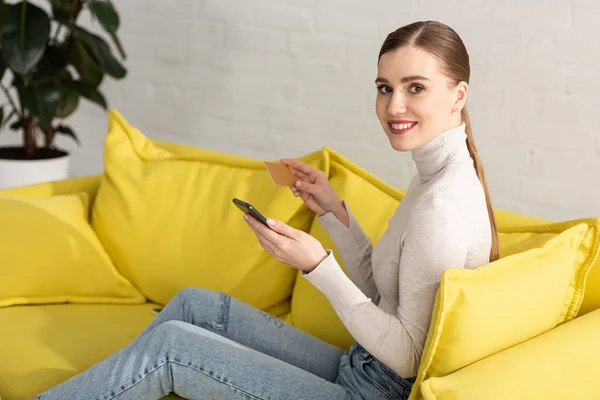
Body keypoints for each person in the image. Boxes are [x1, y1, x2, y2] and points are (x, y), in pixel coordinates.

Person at [32, 20, 498, 400]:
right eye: (384, 87)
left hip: (376, 389)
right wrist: (333, 210)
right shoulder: (433, 176)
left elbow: (408, 356)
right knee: (197, 304)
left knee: (173, 348)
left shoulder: (443, 204)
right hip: (361, 366)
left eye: (415, 87)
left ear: (458, 95)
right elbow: (385, 293)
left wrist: (318, 267)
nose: (393, 105)